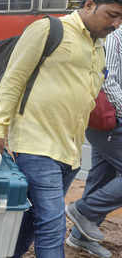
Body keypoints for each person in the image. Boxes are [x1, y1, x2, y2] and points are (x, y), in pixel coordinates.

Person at [0, 0, 122, 258]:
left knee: (32, 219)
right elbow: (13, 80)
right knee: (52, 224)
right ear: (89, 4)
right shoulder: (48, 29)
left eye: (120, 19)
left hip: (69, 152)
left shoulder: (98, 46)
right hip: (36, 145)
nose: (115, 24)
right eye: (112, 15)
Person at [65, 26, 122, 258]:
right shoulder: (115, 40)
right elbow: (106, 82)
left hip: (109, 123)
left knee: (102, 178)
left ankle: (80, 238)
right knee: (103, 180)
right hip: (111, 121)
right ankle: (83, 211)